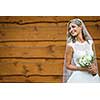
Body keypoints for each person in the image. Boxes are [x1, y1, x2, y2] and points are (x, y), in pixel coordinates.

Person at [63, 18, 100, 83]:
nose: (71, 30)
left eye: (73, 27)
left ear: (80, 27)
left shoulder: (90, 43)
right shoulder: (71, 46)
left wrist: (94, 69)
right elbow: (68, 65)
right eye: (69, 29)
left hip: (92, 76)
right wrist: (83, 69)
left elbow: (93, 60)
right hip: (78, 77)